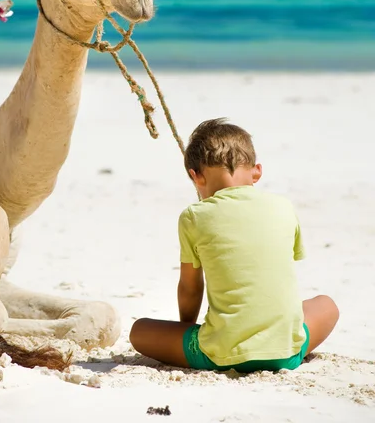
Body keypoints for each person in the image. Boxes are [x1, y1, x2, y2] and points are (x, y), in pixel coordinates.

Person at [130, 118, 339, 372]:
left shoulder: (193, 216)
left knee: (139, 330)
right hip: (287, 352)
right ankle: (277, 344)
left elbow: (191, 288)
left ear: (196, 177)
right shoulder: (283, 207)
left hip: (221, 354)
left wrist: (185, 328)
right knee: (326, 305)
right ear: (257, 171)